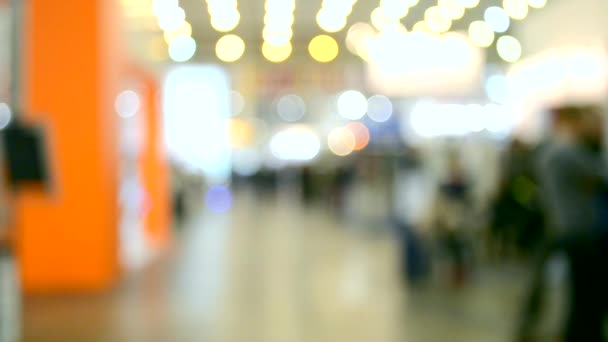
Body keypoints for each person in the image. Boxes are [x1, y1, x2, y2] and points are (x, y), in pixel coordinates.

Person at [517, 105, 608, 341]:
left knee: (575, 292)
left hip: (563, 227)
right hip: (577, 232)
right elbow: (602, 174)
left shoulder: (551, 152)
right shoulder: (567, 152)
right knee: (586, 294)